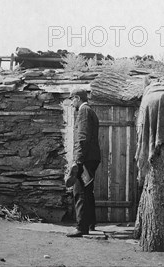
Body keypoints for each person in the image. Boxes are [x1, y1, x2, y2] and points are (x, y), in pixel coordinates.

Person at [66, 88, 101, 237]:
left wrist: (77, 161)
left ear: (77, 98)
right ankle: (91, 223)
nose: (72, 103)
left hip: (85, 159)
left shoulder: (84, 111)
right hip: (91, 157)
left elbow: (82, 137)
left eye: (72, 99)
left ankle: (81, 227)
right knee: (88, 191)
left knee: (79, 191)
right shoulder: (89, 111)